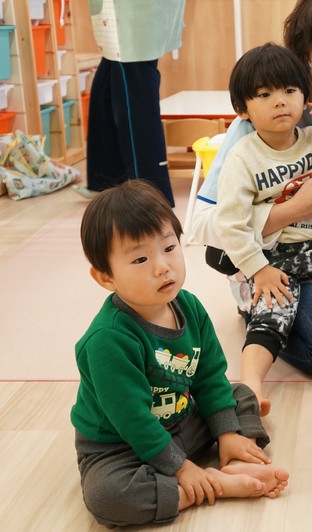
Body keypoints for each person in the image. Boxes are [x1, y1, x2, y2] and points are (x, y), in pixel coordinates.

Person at [71, 180, 288, 527]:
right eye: (140, 259)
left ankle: (235, 455)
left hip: (181, 420)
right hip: (121, 445)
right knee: (107, 496)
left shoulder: (189, 307)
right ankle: (210, 485)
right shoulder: (108, 340)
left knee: (239, 395)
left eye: (169, 247)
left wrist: (226, 433)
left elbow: (209, 376)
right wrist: (183, 469)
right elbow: (134, 421)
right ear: (105, 278)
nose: (162, 266)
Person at [191, 0, 312, 384]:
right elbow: (203, 227)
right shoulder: (252, 132)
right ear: (303, 51)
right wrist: (295, 209)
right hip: (273, 256)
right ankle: (255, 307)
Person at [212, 43, 312, 415]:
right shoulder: (243, 157)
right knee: (272, 318)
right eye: (264, 95)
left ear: (303, 96)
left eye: (289, 90)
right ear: (243, 109)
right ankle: (250, 385)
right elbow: (231, 225)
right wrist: (258, 269)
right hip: (275, 256)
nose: (280, 101)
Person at [73, 0, 182, 205]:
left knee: (135, 96)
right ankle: (107, 181)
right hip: (120, 14)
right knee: (106, 87)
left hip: (134, 14)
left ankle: (151, 193)